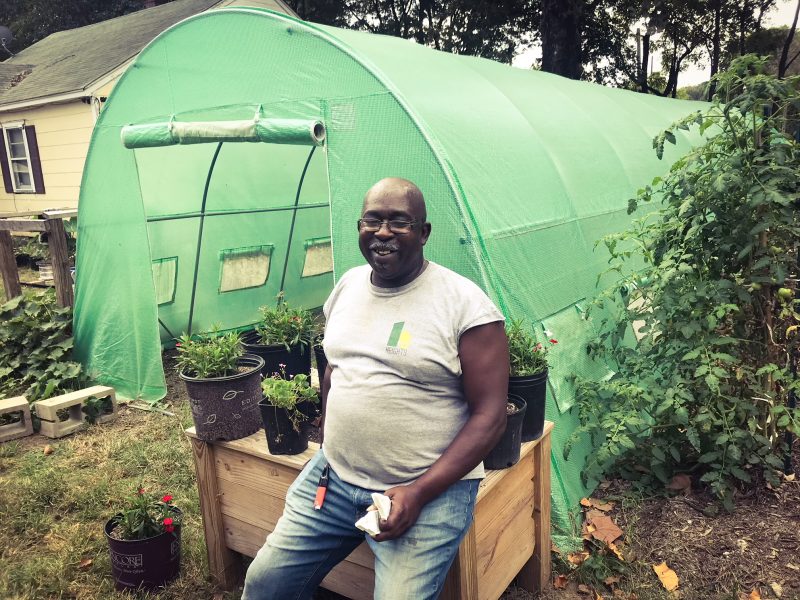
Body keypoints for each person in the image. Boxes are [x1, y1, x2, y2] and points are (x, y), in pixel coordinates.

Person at [242, 177, 509, 600]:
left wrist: (419, 493)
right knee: (265, 586)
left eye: (399, 222)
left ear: (423, 233)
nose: (383, 232)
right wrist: (332, 439)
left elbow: (492, 416)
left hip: (427, 493)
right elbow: (333, 369)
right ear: (360, 227)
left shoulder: (465, 306)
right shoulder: (347, 286)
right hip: (335, 479)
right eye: (373, 220)